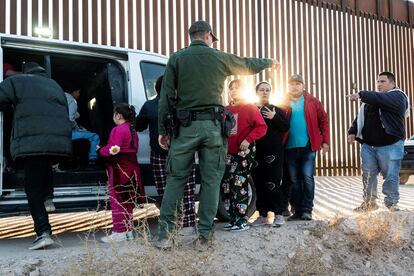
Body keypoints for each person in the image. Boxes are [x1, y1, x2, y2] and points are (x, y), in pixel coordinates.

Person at [156, 20, 280, 248]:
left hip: (184, 129)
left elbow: (166, 97)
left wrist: (163, 131)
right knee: (212, 181)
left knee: (176, 179)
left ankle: (164, 236)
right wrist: (269, 62)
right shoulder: (218, 57)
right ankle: (204, 237)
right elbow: (247, 64)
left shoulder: (176, 58)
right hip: (213, 129)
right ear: (208, 36)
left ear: (191, 35)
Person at [0, 62, 72, 250]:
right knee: (45, 164)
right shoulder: (55, 85)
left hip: (32, 140)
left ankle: (43, 233)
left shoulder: (17, 81)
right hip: (57, 141)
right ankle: (49, 198)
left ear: (26, 72)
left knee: (32, 189)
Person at [136, 75, 197, 237]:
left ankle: (171, 226)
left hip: (158, 154)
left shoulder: (149, 106)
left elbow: (138, 126)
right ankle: (188, 226)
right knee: (187, 190)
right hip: (183, 153)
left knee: (165, 193)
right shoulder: (184, 104)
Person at [347, 72, 408, 212]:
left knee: (391, 176)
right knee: (367, 175)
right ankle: (369, 203)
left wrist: (361, 94)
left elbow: (381, 99)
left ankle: (391, 204)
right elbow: (360, 117)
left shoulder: (398, 96)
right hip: (368, 146)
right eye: (378, 81)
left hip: (390, 145)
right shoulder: (372, 100)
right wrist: (352, 131)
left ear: (392, 83)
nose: (379, 84)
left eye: (383, 81)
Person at [221, 79, 267, 232]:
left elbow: (262, 127)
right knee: (228, 185)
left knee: (239, 184)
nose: (234, 91)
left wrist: (248, 140)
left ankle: (242, 220)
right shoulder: (226, 110)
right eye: (231, 88)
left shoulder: (250, 107)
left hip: (244, 151)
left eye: (237, 88)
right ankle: (233, 218)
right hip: (228, 152)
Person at [284, 74, 330, 221]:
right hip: (289, 147)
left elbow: (324, 121)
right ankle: (297, 210)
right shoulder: (283, 102)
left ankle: (307, 210)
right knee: (294, 180)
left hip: (308, 147)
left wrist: (325, 141)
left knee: (307, 178)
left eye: (298, 84)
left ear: (303, 85)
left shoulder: (312, 101)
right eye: (292, 84)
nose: (295, 86)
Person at [98, 103, 144, 242]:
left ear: (118, 115)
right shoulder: (132, 130)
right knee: (127, 199)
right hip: (132, 168)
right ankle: (128, 230)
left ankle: (119, 231)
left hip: (119, 169)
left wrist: (100, 151)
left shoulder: (118, 130)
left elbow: (113, 149)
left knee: (117, 200)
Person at [250, 81, 289, 227]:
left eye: (267, 90)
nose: (265, 92)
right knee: (259, 183)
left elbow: (285, 127)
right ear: (256, 92)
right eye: (262, 90)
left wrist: (274, 117)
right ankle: (262, 215)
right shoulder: (252, 109)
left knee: (273, 182)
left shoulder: (276, 109)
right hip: (256, 152)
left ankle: (279, 214)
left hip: (274, 152)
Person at [65, 88, 100, 162]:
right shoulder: (71, 101)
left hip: (56, 131)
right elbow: (70, 119)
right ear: (74, 91)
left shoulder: (61, 98)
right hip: (67, 133)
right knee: (94, 136)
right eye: (78, 92)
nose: (79, 94)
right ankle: (92, 160)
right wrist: (77, 128)